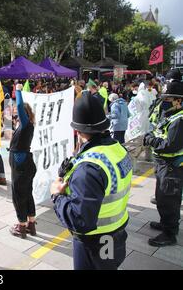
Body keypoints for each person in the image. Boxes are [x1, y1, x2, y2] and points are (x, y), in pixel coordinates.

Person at [51, 91, 132, 270]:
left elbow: (80, 221)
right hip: (113, 237)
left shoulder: (89, 168)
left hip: (94, 243)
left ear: (77, 130)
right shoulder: (118, 149)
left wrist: (57, 196)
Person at [143, 79, 183, 247]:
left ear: (179, 100)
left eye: (168, 99)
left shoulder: (179, 120)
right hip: (165, 165)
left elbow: (170, 145)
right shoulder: (173, 115)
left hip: (171, 166)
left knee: (169, 199)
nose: (164, 102)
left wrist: (151, 140)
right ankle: (166, 223)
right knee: (162, 197)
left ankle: (169, 233)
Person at [8, 84, 37, 239]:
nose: (15, 111)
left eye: (17, 111)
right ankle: (31, 223)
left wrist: (18, 89)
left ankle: (22, 226)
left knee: (18, 195)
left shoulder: (26, 125)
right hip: (25, 164)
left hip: (21, 165)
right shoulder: (24, 125)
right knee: (27, 193)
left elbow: (19, 104)